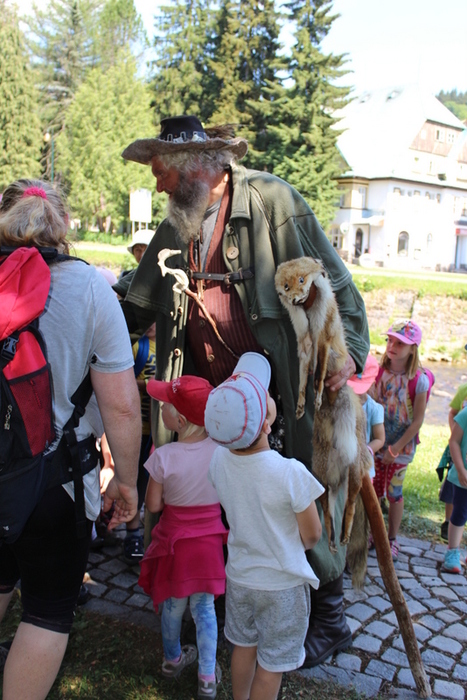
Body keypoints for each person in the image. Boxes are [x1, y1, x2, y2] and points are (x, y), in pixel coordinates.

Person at [118, 114, 370, 667]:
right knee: (227, 493)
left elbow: (333, 276)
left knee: (301, 486)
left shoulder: (271, 201)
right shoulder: (179, 221)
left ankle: (329, 618)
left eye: (161, 170)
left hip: (283, 386)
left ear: (195, 167)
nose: (157, 183)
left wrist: (349, 348)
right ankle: (221, 598)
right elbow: (137, 298)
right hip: (216, 395)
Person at [0, 179, 141, 700]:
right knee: (47, 612)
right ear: (62, 227)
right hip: (53, 482)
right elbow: (121, 405)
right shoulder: (88, 286)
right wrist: (126, 482)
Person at [204, 352, 324, 700]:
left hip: (240, 578)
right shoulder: (290, 473)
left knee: (243, 647)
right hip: (282, 586)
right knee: (271, 666)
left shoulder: (217, 460)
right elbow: (312, 536)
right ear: (267, 425)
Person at [139, 375, 227, 699]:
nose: (160, 408)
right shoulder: (221, 452)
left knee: (173, 605)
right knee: (204, 608)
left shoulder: (164, 457)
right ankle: (207, 677)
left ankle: (172, 660)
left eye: (165, 405)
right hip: (208, 545)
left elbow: (153, 505)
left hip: (176, 543)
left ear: (181, 421)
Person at [370, 320, 428, 562]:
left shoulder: (419, 381)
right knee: (374, 489)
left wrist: (394, 449)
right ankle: (374, 532)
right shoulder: (378, 372)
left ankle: (392, 538)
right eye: (390, 340)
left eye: (400, 343)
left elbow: (417, 421)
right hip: (377, 441)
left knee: (394, 491)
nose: (392, 346)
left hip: (401, 447)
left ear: (413, 349)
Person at [438, 381, 467, 541]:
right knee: (456, 499)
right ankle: (448, 523)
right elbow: (453, 413)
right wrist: (455, 430)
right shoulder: (464, 392)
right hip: (461, 464)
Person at [442, 403, 467, 573]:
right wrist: (461, 470)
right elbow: (454, 441)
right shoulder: (465, 414)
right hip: (463, 479)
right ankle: (452, 552)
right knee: (460, 513)